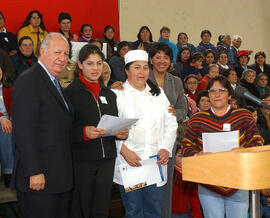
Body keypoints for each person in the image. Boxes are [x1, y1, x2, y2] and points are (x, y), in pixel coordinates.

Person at [182, 76, 264, 218]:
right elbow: (186, 146)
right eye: (213, 91)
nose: (217, 94)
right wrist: (197, 155)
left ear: (229, 94)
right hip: (208, 182)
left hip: (238, 182)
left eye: (222, 90)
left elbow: (257, 141)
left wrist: (245, 151)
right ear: (208, 95)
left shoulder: (243, 115)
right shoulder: (197, 119)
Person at [12, 32, 73, 218]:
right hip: (39, 180)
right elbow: (24, 131)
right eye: (57, 53)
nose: (62, 58)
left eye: (65, 53)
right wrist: (35, 171)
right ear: (42, 52)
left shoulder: (54, 82)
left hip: (58, 178)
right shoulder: (29, 80)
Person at [64, 44, 128, 218]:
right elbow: (62, 131)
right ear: (80, 65)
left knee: (101, 209)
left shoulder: (109, 94)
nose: (95, 68)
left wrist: (121, 133)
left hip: (107, 159)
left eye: (99, 63)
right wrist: (83, 132)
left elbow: (113, 123)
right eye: (90, 63)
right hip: (82, 160)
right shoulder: (69, 94)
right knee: (81, 209)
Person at [112, 49, 178, 218]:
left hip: (155, 162)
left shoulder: (159, 93)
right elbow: (111, 128)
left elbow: (171, 123)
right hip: (130, 163)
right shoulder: (117, 94)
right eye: (136, 67)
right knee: (134, 211)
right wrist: (123, 150)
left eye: (145, 67)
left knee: (154, 210)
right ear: (126, 70)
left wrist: (165, 148)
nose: (142, 72)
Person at [148, 42, 187, 218]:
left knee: (166, 184)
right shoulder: (141, 76)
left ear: (171, 61)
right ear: (151, 59)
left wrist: (173, 113)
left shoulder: (176, 81)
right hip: (146, 139)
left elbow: (183, 109)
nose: (162, 61)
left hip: (168, 141)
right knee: (147, 186)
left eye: (166, 57)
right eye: (158, 57)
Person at [172, 146, 202, 218]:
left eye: (186, 156)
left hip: (185, 213)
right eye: (180, 156)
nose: (183, 159)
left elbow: (194, 199)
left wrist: (197, 216)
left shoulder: (192, 173)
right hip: (169, 213)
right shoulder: (169, 174)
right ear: (173, 157)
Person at [0, 66, 15, 187]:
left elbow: (14, 106)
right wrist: (1, 117)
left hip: (8, 120)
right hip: (1, 121)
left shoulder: (8, 87)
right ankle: (9, 173)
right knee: (6, 131)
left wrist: (12, 119)